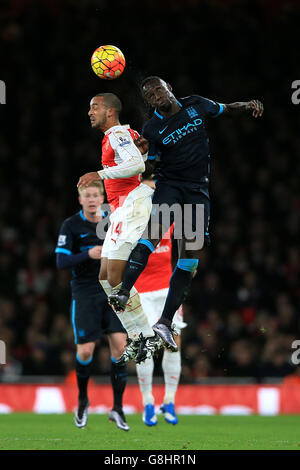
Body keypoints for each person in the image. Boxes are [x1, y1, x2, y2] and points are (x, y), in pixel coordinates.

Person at [108, 76, 264, 354]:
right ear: (149, 102)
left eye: (159, 89)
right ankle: (122, 291)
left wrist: (248, 105)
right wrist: (140, 157)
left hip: (197, 192)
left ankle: (165, 322)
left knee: (190, 260)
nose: (156, 95)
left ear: (170, 89)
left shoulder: (197, 105)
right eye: (150, 95)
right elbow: (150, 165)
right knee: (153, 235)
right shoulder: (152, 127)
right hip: (170, 187)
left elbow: (226, 108)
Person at [77, 93, 162, 365]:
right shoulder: (122, 134)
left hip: (132, 203)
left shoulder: (116, 133)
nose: (90, 112)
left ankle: (147, 333)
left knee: (114, 276)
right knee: (105, 277)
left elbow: (137, 166)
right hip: (122, 208)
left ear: (111, 111)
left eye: (95, 107)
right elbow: (141, 158)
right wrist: (146, 150)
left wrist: (98, 174)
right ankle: (137, 334)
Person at [55, 181, 130, 431]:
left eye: (95, 195)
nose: (91, 199)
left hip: (112, 291)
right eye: (86, 195)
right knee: (86, 351)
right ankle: (83, 400)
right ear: (80, 200)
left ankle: (117, 409)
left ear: (102, 198)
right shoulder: (71, 225)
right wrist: (87, 255)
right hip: (85, 294)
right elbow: (60, 262)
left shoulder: (113, 220)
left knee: (120, 348)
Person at [135, 179, 186, 426]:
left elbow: (188, 241)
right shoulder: (131, 221)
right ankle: (147, 402)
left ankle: (169, 401)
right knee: (144, 348)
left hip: (166, 290)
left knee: (173, 345)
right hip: (141, 293)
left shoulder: (168, 218)